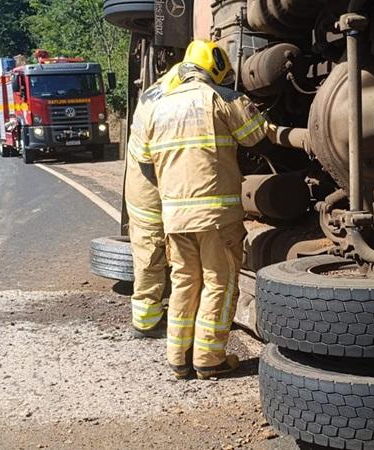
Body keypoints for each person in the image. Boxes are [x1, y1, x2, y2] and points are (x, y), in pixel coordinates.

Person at [132, 40, 276, 379]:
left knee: (184, 281)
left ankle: (178, 358)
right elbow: (257, 137)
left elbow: (144, 160)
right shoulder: (220, 98)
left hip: (175, 217)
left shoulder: (156, 105)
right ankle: (209, 359)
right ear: (215, 69)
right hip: (215, 216)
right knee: (219, 282)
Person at [125, 64, 181, 338]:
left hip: (150, 188)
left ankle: (153, 313)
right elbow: (149, 158)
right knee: (150, 254)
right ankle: (146, 322)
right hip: (148, 193)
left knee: (155, 253)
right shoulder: (158, 105)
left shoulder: (156, 94)